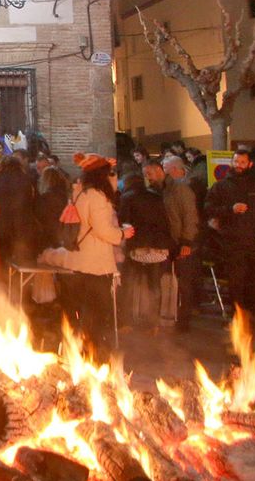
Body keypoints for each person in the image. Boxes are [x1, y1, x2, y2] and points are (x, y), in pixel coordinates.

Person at [59, 153, 128, 357]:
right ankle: (93, 352)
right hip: (95, 263)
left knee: (83, 309)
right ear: (101, 175)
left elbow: (110, 191)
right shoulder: (97, 197)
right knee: (97, 311)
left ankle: (77, 350)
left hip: (79, 260)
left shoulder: (80, 192)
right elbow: (102, 229)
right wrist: (123, 233)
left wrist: (111, 170)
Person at [205, 146, 255, 329]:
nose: (238, 165)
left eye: (242, 162)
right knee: (235, 283)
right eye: (236, 161)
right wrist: (230, 210)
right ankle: (237, 320)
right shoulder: (221, 186)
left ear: (249, 164)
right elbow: (208, 208)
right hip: (232, 243)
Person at [119, 167, 174, 329]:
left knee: (128, 284)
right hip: (158, 246)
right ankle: (153, 323)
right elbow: (165, 221)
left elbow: (124, 224)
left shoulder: (127, 198)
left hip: (137, 245)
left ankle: (125, 321)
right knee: (154, 285)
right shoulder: (156, 197)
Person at [160, 155, 201, 332]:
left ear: (175, 169)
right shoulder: (170, 189)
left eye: (165, 167)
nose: (163, 170)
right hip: (174, 241)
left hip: (183, 242)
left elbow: (189, 217)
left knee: (184, 283)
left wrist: (186, 242)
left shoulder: (182, 189)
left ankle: (183, 319)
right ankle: (173, 316)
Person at [0, 155, 40, 268]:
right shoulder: (27, 180)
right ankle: (19, 284)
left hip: (2, 225)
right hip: (22, 226)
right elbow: (34, 202)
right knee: (21, 261)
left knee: (4, 259)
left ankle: (4, 283)